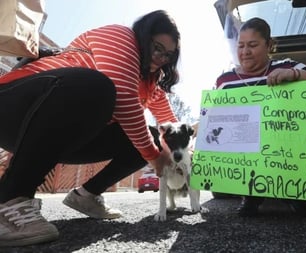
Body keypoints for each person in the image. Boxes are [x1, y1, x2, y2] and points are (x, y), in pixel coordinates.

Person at [0, 10, 181, 247]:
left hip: (60, 136)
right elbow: (125, 98)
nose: (160, 58)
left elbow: (173, 126)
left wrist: (186, 157)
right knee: (98, 87)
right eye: (157, 47)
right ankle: (10, 199)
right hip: (15, 106)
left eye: (168, 55)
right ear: (143, 37)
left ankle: (86, 196)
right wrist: (155, 158)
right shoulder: (121, 36)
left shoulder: (151, 83)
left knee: (157, 138)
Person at [215, 17, 306, 217]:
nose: (244, 52)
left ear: (268, 45)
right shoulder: (225, 80)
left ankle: (297, 194)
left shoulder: (288, 66)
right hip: (244, 149)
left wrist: (294, 74)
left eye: (252, 45)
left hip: (287, 147)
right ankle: (250, 196)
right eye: (241, 46)